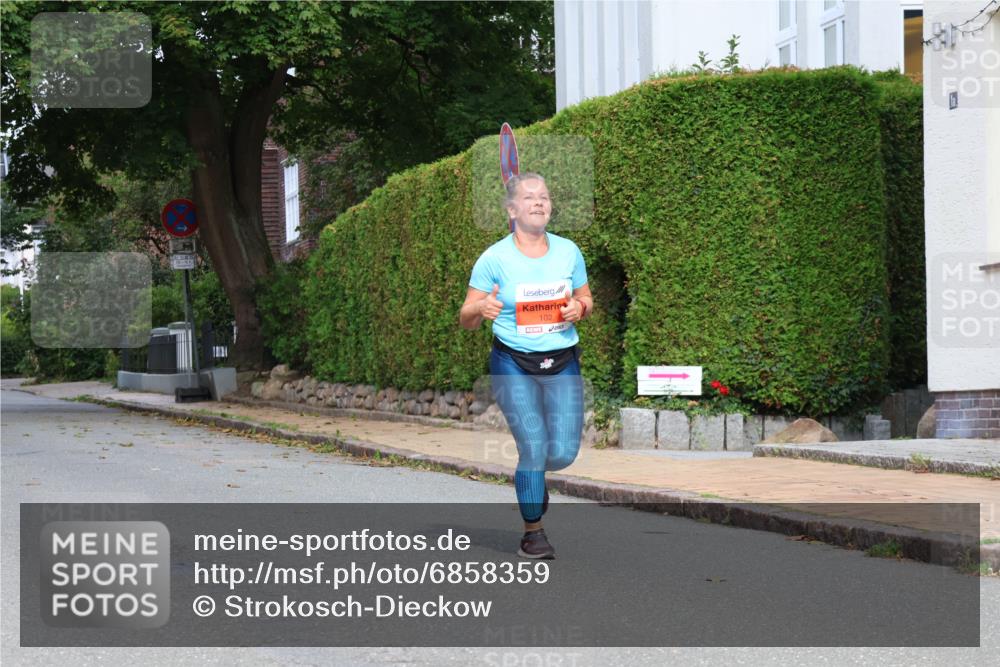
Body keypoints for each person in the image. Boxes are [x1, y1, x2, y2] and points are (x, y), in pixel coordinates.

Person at [459, 172, 593, 559]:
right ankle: (533, 533)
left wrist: (579, 308)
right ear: (512, 209)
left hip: (563, 360)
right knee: (533, 446)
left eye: (545, 197)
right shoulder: (494, 258)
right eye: (530, 197)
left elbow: (587, 298)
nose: (539, 202)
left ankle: (533, 479)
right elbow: (465, 316)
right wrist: (480, 309)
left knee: (564, 453)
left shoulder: (569, 251)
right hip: (512, 362)